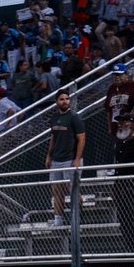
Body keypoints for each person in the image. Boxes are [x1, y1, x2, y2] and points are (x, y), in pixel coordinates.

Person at [44, 90, 85, 228]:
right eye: (61, 99)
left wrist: (77, 159)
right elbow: (53, 138)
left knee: (73, 189)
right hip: (56, 160)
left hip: (70, 159)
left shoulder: (74, 117)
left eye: (67, 98)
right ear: (57, 101)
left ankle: (77, 216)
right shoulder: (54, 118)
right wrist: (49, 156)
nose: (65, 101)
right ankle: (58, 219)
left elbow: (81, 138)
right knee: (56, 191)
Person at [112, 113, 134, 250]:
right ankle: (129, 245)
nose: (121, 125)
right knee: (123, 215)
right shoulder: (117, 141)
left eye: (125, 122)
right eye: (119, 122)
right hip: (120, 184)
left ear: (132, 124)